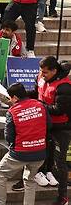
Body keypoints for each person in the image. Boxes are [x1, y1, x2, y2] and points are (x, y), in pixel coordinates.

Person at [0, 83, 49, 205]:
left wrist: (12, 147)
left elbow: (8, 135)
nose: (10, 100)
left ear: (15, 97)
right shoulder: (41, 105)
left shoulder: (13, 111)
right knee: (30, 181)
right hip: (40, 152)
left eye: (10, 97)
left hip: (20, 153)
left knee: (0, 174)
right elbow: (48, 126)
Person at [36, 57, 71, 205]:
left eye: (45, 72)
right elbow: (36, 92)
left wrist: (40, 105)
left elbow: (59, 110)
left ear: (54, 71)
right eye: (41, 72)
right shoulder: (41, 78)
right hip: (45, 124)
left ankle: (63, 196)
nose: (42, 75)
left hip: (61, 129)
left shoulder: (64, 87)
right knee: (41, 154)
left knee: (60, 162)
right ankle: (43, 174)